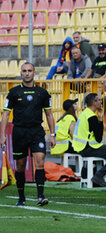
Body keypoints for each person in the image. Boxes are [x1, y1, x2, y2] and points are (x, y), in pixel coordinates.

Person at [0, 62, 56, 206]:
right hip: (19, 132)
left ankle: (40, 196)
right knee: (20, 166)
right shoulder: (14, 92)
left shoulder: (42, 93)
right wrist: (2, 136)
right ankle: (21, 197)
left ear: (34, 72)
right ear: (21, 73)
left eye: (29, 70)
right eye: (24, 70)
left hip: (37, 131)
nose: (27, 73)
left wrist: (53, 134)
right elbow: (5, 115)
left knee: (39, 162)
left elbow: (49, 114)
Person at [72, 93, 106, 187]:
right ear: (94, 102)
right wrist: (100, 119)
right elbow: (99, 138)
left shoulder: (84, 113)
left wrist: (99, 118)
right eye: (99, 100)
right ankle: (98, 176)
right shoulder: (92, 117)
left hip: (81, 148)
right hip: (89, 148)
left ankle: (88, 175)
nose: (101, 101)